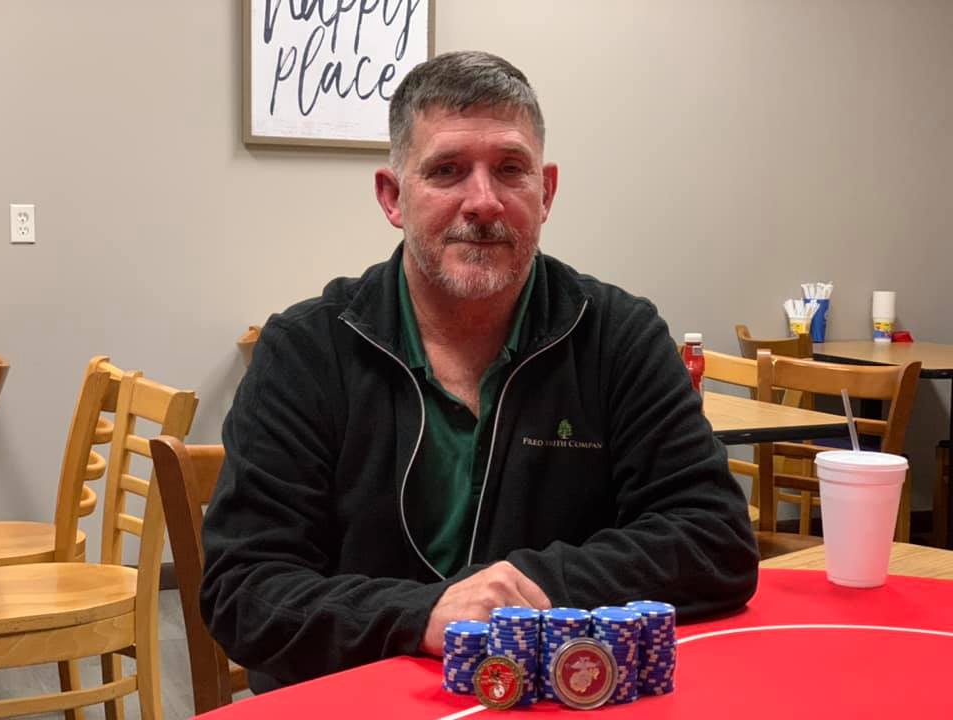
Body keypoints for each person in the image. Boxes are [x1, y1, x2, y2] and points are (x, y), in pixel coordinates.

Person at [201, 50, 758, 694]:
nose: (484, 202)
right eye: (447, 170)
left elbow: (713, 539)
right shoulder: (305, 350)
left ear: (546, 193)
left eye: (511, 170)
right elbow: (246, 590)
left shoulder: (617, 337)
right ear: (393, 197)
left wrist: (518, 592)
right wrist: (423, 614)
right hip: (355, 695)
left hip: (552, 698)